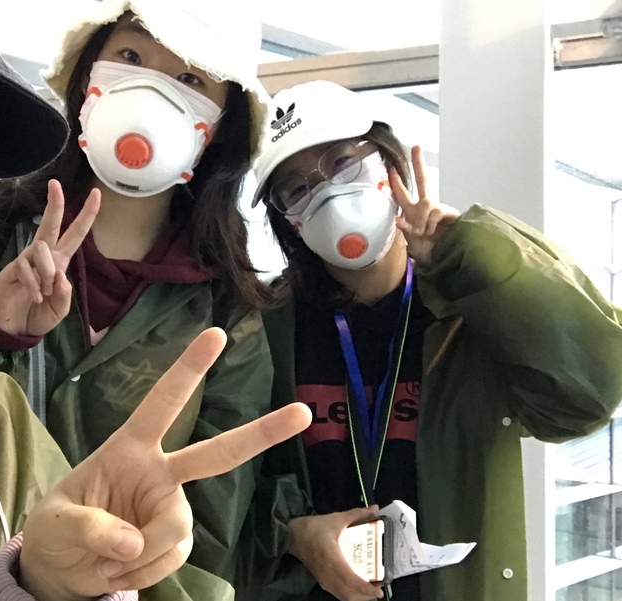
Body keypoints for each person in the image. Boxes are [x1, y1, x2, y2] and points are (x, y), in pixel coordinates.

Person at [0, 1, 312, 600]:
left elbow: (205, 543)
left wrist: (98, 577)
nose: (152, 92)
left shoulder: (228, 311)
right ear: (87, 77)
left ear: (223, 122)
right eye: (131, 56)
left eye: (190, 78)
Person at [237, 80, 622, 601]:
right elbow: (227, 493)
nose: (326, 191)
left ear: (388, 164)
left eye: (342, 163)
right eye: (296, 188)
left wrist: (471, 255)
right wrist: (294, 535)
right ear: (290, 223)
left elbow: (586, 399)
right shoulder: (264, 328)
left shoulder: (469, 311)